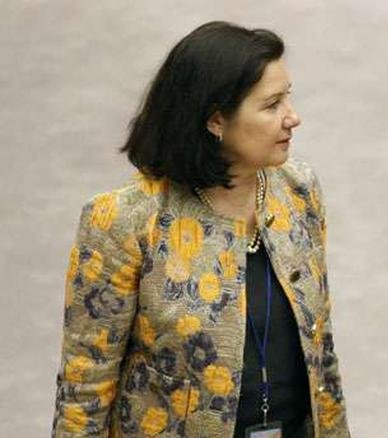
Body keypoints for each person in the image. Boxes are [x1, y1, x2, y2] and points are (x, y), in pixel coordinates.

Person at [52, 22, 349, 437]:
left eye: (289, 98)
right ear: (215, 120)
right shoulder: (125, 219)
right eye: (271, 105)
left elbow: (321, 355)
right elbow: (84, 390)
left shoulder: (298, 193)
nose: (292, 118)